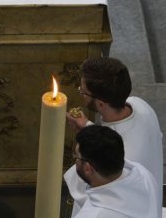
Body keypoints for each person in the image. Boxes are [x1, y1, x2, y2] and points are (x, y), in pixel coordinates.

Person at [67, 56, 163, 198]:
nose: (81, 93)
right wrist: (87, 126)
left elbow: (99, 196)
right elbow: (114, 136)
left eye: (83, 91)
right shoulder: (140, 104)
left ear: (100, 104)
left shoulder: (119, 158)